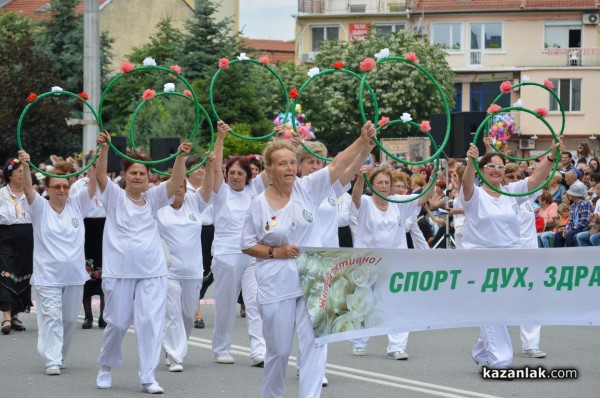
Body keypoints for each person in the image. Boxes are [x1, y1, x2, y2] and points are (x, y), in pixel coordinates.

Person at [241, 121, 377, 398]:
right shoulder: (259, 203)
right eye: (282, 164)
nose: (290, 168)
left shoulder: (308, 189)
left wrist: (361, 142)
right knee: (278, 351)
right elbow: (246, 245)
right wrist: (274, 252)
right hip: (276, 281)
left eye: (293, 162)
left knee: (316, 343)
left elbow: (338, 164)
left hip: (313, 278)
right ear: (269, 170)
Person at [94, 131, 191, 394]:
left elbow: (176, 181)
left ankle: (148, 377)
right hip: (119, 272)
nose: (138, 177)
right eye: (133, 172)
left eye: (142, 173)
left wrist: (181, 156)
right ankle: (105, 366)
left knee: (151, 323)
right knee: (117, 322)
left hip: (152, 272)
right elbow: (100, 176)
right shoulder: (114, 197)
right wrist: (104, 149)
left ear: (148, 176)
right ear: (124, 175)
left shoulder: (154, 198)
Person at [461, 139, 561, 370]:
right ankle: (500, 361)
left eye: (501, 167)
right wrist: (470, 162)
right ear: (481, 170)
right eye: (491, 166)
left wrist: (551, 157)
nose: (497, 170)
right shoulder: (474, 194)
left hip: (511, 259)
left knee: (503, 308)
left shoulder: (512, 192)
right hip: (481, 260)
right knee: (491, 307)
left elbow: (536, 179)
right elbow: (466, 184)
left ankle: (481, 351)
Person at [19, 150, 95, 375]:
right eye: (56, 187)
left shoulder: (77, 205)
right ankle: (51, 358)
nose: (62, 190)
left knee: (69, 321)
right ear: (47, 188)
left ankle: (60, 354)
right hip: (47, 276)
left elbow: (93, 185)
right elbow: (26, 189)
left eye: (65, 186)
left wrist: (98, 156)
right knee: (52, 318)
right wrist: (25, 165)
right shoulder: (39, 207)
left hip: (74, 276)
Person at [349, 165, 435, 360]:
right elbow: (355, 198)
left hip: (395, 262)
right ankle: (359, 341)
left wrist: (433, 177)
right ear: (372, 184)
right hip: (367, 262)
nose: (384, 185)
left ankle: (396, 346)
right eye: (380, 182)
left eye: (387, 182)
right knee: (364, 304)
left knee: (398, 304)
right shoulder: (364, 201)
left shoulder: (398, 202)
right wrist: (361, 178)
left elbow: (422, 198)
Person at [209, 121, 269, 367]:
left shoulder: (255, 190)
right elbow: (214, 164)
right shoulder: (220, 192)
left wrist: (281, 140)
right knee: (225, 304)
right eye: (231, 172)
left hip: (253, 256)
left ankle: (258, 350)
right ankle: (222, 348)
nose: (235, 176)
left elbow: (271, 165)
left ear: (248, 176)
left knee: (256, 302)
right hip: (226, 256)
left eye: (240, 173)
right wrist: (220, 138)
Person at [158, 154, 214, 372]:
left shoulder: (194, 204)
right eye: (175, 186)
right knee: (171, 314)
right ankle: (175, 356)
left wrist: (210, 166)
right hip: (168, 271)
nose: (178, 190)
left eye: (182, 186)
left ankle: (174, 348)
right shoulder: (158, 207)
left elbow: (209, 187)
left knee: (188, 316)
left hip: (192, 270)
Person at [502, 163, 547, 358]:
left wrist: (548, 161)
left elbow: (540, 178)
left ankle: (531, 344)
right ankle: (495, 344)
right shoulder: (499, 198)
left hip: (530, 255)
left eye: (517, 177)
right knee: (501, 301)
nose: (514, 181)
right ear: (503, 179)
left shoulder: (527, 197)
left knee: (531, 299)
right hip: (507, 255)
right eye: (510, 177)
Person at [69, 153, 107, 330]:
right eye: (94, 161)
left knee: (106, 273)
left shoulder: (108, 183)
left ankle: (103, 316)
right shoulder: (79, 184)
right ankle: (88, 316)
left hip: (105, 228)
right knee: (86, 271)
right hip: (86, 228)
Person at [0, 158, 33, 335]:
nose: (22, 174)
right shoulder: (1, 195)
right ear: (10, 174)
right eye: (19, 171)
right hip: (6, 239)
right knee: (6, 275)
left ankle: (16, 314)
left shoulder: (31, 194)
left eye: (24, 171)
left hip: (27, 240)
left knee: (23, 275)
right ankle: (6, 316)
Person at [554, 181, 593, 247]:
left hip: (583, 228)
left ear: (574, 195)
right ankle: (559, 255)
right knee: (558, 234)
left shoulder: (585, 204)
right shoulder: (573, 205)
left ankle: (571, 255)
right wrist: (566, 229)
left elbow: (584, 222)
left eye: (570, 194)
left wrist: (571, 230)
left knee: (570, 234)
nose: (568, 195)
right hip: (574, 228)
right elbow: (570, 221)